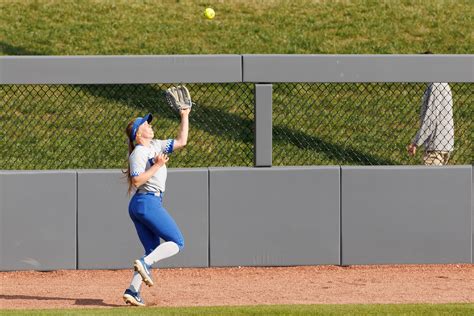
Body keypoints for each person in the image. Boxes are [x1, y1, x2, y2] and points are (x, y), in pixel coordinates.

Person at [122, 107, 190, 306]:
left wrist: (184, 115)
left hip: (144, 204)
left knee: (152, 249)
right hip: (146, 202)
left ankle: (132, 291)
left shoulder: (155, 145)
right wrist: (157, 166)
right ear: (138, 133)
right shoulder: (139, 152)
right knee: (177, 242)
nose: (150, 125)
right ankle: (145, 263)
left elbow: (181, 141)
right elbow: (136, 181)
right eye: (145, 124)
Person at [407, 79, 454, 165]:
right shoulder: (441, 83)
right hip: (443, 144)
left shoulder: (436, 85)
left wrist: (415, 143)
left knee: (428, 177)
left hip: (435, 146)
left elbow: (430, 119)